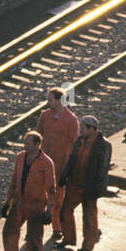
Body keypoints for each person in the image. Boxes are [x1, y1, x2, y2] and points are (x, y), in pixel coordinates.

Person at [1, 131, 55, 251]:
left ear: (38, 144)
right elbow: (14, 181)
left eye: (28, 143)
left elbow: (51, 188)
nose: (25, 145)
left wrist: (49, 211)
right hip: (19, 202)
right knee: (9, 232)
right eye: (24, 142)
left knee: (34, 238)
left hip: (36, 205)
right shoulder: (20, 157)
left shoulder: (46, 162)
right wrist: (7, 202)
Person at [57, 115, 112, 251]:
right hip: (74, 185)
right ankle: (68, 239)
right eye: (81, 127)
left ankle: (87, 246)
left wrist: (96, 188)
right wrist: (64, 176)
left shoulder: (104, 145)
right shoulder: (80, 141)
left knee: (89, 218)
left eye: (85, 128)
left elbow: (103, 169)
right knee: (64, 212)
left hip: (89, 187)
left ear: (93, 129)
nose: (82, 130)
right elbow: (71, 160)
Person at [36, 89, 79, 239]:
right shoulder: (45, 116)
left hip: (61, 164)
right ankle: (35, 227)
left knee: (58, 197)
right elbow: (38, 136)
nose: (48, 103)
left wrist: (68, 165)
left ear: (59, 100)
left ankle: (57, 228)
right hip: (43, 163)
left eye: (51, 100)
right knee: (39, 194)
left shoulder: (71, 120)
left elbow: (74, 145)